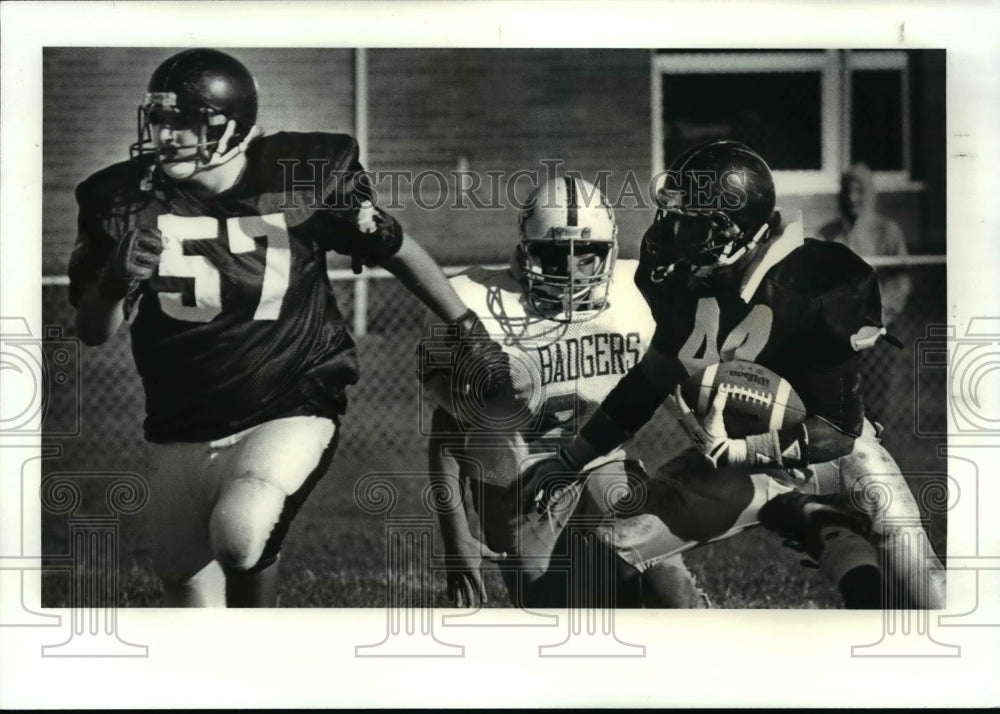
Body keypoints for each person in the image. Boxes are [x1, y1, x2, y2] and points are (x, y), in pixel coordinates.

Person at [68, 49, 510, 608]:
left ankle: (266, 648)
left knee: (242, 533)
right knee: (182, 580)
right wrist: (111, 284)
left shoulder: (303, 177)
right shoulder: (120, 199)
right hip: (178, 418)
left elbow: (394, 249)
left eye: (187, 123)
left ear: (233, 127)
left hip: (288, 399)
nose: (167, 135)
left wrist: (465, 325)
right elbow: (93, 331)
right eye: (161, 120)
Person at [524, 140, 945, 609]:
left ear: (741, 232)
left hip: (827, 451)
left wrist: (741, 449)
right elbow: (651, 380)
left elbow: (840, 429)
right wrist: (570, 459)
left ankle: (830, 531)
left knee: (926, 601)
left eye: (697, 223)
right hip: (733, 462)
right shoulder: (684, 277)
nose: (675, 230)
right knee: (606, 550)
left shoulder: (815, 285)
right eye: (677, 213)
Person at [422, 176, 707, 609]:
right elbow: (447, 430)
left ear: (609, 254)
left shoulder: (638, 300)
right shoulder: (477, 309)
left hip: (600, 467)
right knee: (559, 619)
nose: (572, 272)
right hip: (514, 490)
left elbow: (683, 392)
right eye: (556, 256)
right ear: (526, 250)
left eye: (587, 256)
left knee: (666, 590)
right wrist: (456, 535)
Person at [818, 163, 912, 326]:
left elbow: (901, 281)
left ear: (869, 193)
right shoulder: (828, 233)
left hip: (883, 323)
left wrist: (882, 313)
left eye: (859, 191)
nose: (852, 197)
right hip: (839, 325)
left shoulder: (888, 231)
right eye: (848, 190)